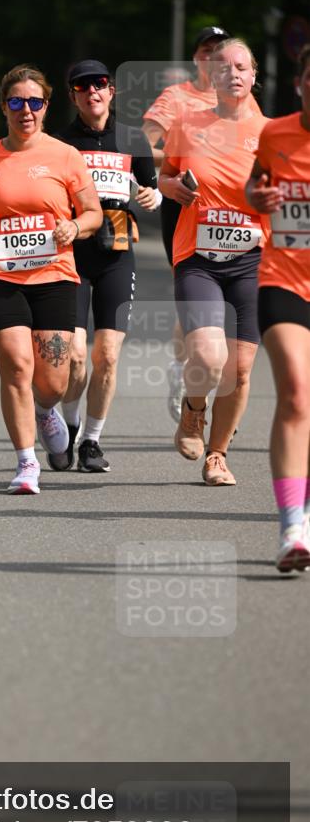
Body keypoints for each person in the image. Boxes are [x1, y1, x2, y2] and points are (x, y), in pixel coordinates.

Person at [0, 64, 102, 494]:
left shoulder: (65, 156)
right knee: (17, 365)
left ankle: (45, 409)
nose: (26, 110)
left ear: (46, 106)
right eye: (16, 102)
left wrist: (75, 227)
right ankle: (26, 462)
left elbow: (92, 213)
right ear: (4, 107)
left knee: (53, 382)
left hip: (54, 275)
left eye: (34, 102)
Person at [159, 38, 268, 486]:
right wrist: (171, 187)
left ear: (254, 75)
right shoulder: (188, 124)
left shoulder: (273, 133)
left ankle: (217, 455)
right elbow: (165, 176)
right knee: (207, 356)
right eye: (223, 67)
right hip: (199, 257)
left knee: (239, 370)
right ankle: (193, 410)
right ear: (211, 76)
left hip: (254, 260)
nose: (233, 74)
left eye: (241, 67)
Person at [52, 59, 160, 473]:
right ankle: (71, 425)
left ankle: (91, 442)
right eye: (82, 87)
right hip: (73, 254)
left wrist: (153, 198)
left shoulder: (132, 138)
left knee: (108, 356)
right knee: (75, 357)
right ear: (73, 96)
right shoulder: (60, 143)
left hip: (116, 253)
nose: (91, 92)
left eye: (98, 84)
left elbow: (152, 189)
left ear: (111, 91)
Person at [144, 26, 240, 422]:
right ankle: (183, 370)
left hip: (233, 212)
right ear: (196, 58)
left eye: (221, 50)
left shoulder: (240, 98)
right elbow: (143, 144)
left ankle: (206, 377)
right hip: (186, 205)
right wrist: (180, 159)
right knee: (195, 295)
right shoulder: (177, 97)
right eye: (206, 50)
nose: (213, 57)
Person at [245, 43, 310, 572]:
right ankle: (291, 527)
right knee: (295, 391)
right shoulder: (276, 133)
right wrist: (258, 198)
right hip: (283, 278)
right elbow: (256, 183)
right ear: (300, 84)